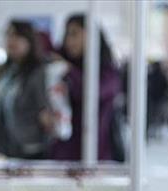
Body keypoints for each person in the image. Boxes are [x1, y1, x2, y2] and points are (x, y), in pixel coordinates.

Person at [51, 14, 121, 162]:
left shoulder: (107, 72)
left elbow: (93, 92)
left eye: (74, 34)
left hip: (95, 154)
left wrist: (69, 70)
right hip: (62, 153)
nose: (69, 41)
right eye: (67, 35)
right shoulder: (59, 67)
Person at [0, 20, 52, 159]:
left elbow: (44, 111)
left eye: (17, 36)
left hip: (31, 148)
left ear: (29, 40)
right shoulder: (10, 71)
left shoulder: (38, 72)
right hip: (9, 146)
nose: (11, 40)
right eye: (9, 35)